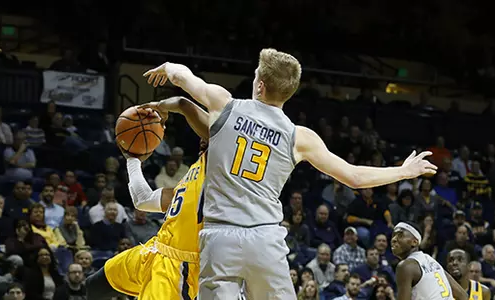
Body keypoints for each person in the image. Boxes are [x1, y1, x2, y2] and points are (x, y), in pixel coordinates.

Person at [142, 48, 437, 299]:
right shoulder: (299, 137)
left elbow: (181, 76)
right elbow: (354, 177)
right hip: (265, 239)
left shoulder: (224, 104)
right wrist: (402, 171)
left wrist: (166, 67)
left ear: (259, 85)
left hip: (219, 237)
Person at [86, 96, 209, 299]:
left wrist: (168, 106)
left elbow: (185, 106)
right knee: (95, 284)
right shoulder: (194, 172)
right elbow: (143, 199)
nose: (203, 135)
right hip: (155, 250)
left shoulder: (220, 171)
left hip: (180, 269)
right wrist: (133, 160)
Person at [391, 223, 467, 300]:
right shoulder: (431, 261)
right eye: (393, 235)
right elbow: (463, 295)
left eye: (400, 235)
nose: (394, 239)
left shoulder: (405, 266)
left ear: (414, 242)